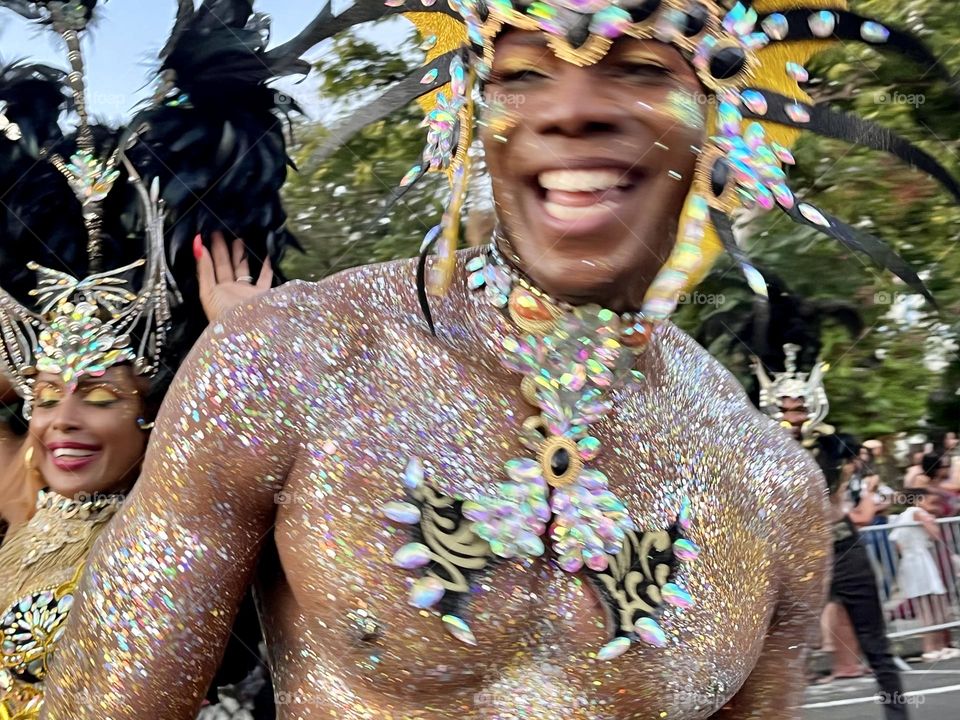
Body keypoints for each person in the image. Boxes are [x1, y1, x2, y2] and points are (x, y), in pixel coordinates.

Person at [42, 1, 960, 718]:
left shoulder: (769, 484)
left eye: (643, 67)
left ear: (723, 120)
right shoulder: (296, 358)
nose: (572, 111)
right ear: (476, 119)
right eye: (523, 75)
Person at [0, 2, 308, 717]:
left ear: (150, 411)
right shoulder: (22, 497)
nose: (63, 423)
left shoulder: (194, 518)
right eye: (47, 395)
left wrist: (244, 348)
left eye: (100, 396)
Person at [889, 489, 957, 661]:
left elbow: (898, 544)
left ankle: (938, 646)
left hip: (915, 559)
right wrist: (932, 521)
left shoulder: (904, 516)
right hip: (919, 561)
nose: (932, 507)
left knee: (932, 602)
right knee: (928, 605)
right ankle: (931, 647)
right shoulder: (915, 512)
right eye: (930, 502)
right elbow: (935, 534)